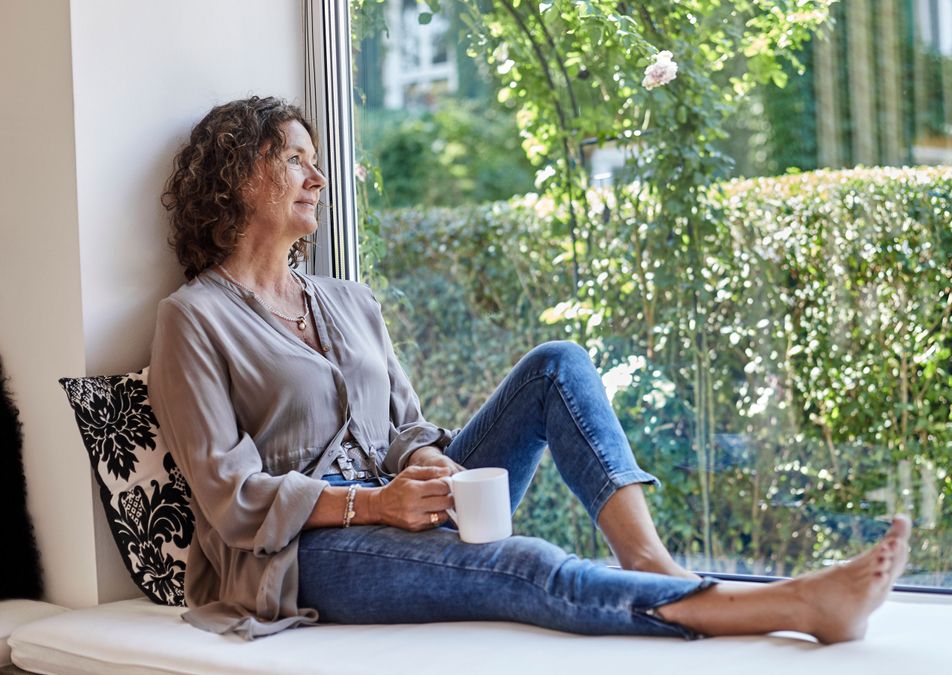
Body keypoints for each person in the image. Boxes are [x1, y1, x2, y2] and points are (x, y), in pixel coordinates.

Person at [149, 95, 911, 642]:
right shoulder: (194, 319)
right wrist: (375, 505)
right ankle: (789, 606)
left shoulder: (348, 299)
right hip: (307, 554)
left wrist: (426, 466)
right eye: (294, 160)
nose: (317, 179)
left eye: (318, 164)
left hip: (399, 504)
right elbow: (230, 496)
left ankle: (648, 560)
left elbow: (407, 427)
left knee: (557, 365)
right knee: (528, 564)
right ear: (236, 176)